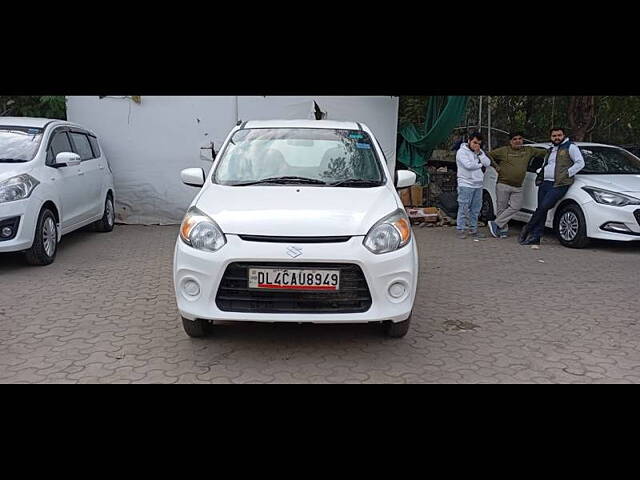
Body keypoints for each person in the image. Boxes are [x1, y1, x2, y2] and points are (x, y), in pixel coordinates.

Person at [519, 127, 585, 246]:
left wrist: (567, 173)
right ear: (551, 137)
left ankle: (527, 228)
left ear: (564, 135)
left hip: (559, 184)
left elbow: (580, 163)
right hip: (545, 182)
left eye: (559, 135)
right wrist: (541, 172)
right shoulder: (550, 150)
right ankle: (535, 237)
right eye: (554, 136)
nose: (557, 138)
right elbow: (547, 164)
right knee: (541, 209)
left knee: (544, 207)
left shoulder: (570, 147)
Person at [486, 132, 548, 238]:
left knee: (517, 206)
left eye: (520, 138)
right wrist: (495, 166)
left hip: (518, 186)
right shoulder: (504, 150)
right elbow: (488, 155)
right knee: (502, 208)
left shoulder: (528, 150)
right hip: (503, 184)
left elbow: (545, 153)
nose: (518, 141)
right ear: (510, 141)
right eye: (515, 139)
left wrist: (557, 149)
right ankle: (502, 230)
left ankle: (495, 223)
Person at [455, 132, 491, 239]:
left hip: (478, 184)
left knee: (476, 208)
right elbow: (468, 166)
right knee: (464, 207)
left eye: (479, 143)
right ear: (469, 141)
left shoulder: (479, 152)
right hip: (465, 183)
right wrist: (481, 164)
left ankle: (473, 229)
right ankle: (461, 229)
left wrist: (479, 154)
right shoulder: (461, 152)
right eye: (475, 142)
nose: (477, 145)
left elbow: (488, 163)